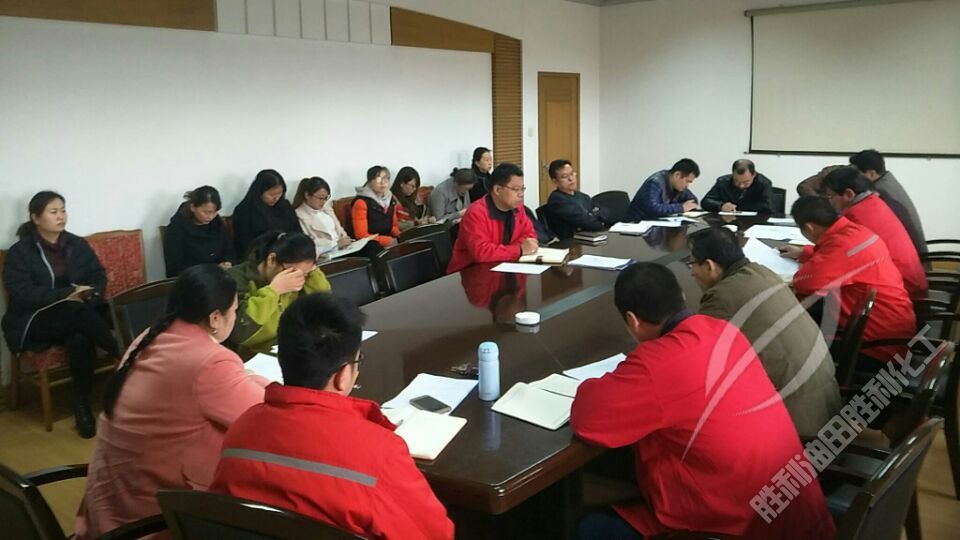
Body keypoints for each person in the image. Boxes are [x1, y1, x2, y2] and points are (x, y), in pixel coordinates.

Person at [571, 263, 835, 540]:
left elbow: (589, 419)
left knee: (590, 527)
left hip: (742, 528)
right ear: (682, 297)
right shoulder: (724, 331)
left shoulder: (657, 364)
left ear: (632, 320)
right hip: (800, 517)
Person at [210, 293, 455, 539]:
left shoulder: (241, 430)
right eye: (358, 361)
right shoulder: (380, 454)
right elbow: (437, 534)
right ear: (343, 375)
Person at [74, 265, 268, 539]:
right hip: (152, 522)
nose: (235, 317)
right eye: (235, 310)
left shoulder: (150, 337)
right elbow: (266, 414)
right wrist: (262, 381)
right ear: (215, 317)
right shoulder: (210, 361)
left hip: (110, 509)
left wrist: (245, 377)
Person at [687, 227, 841, 437]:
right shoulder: (762, 272)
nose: (691, 272)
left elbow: (699, 361)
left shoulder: (721, 297)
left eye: (692, 264)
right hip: (826, 399)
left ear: (709, 265)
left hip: (798, 423)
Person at [2, 191, 121, 439]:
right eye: (53, 212)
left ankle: (81, 403)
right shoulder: (20, 252)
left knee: (81, 336)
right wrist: (67, 295)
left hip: (78, 314)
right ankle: (126, 356)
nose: (61, 216)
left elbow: (98, 275)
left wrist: (91, 293)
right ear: (36, 218)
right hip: (36, 319)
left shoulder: (76, 243)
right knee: (77, 313)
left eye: (63, 210)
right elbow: (23, 294)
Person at [780, 196, 916, 371]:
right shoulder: (856, 232)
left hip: (876, 349)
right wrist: (804, 253)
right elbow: (837, 256)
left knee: (787, 342)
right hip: (892, 332)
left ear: (809, 228)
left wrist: (807, 262)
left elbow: (804, 283)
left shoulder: (843, 245)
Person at [822, 167, 927, 300]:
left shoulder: (855, 216)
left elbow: (836, 258)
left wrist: (806, 253)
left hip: (902, 291)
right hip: (913, 281)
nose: (829, 202)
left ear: (848, 194)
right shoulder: (873, 201)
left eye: (830, 197)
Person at [226, 231, 331, 354]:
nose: (297, 278)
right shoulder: (234, 279)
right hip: (252, 353)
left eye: (305, 273)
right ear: (271, 260)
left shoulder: (303, 275)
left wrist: (312, 272)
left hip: (292, 346)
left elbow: (324, 307)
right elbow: (240, 332)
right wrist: (274, 290)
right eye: (292, 272)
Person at [447, 163, 538, 273]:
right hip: (470, 272)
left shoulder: (518, 208)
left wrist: (507, 251)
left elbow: (530, 236)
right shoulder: (476, 213)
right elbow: (481, 253)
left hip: (505, 266)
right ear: (497, 190)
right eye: (516, 189)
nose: (521, 194)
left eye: (522, 189)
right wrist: (519, 249)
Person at [849, 149, 926, 254]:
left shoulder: (880, 192)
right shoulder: (887, 181)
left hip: (911, 253)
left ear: (871, 174)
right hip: (914, 249)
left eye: (857, 175)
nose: (855, 179)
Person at [163, 186, 236, 277]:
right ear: (193, 207)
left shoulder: (217, 224)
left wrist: (228, 262)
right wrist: (213, 269)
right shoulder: (177, 229)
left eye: (214, 212)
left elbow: (229, 251)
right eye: (206, 212)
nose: (210, 217)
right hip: (193, 279)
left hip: (220, 276)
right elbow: (174, 268)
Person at [232, 169, 300, 257]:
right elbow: (248, 244)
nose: (276, 198)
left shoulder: (284, 205)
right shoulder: (244, 211)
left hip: (291, 253)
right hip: (262, 256)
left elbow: (297, 231)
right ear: (259, 192)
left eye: (279, 193)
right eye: (272, 195)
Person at [542, 159, 611, 240]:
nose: (571, 179)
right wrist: (596, 217)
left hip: (593, 236)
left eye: (572, 174)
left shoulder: (583, 196)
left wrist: (593, 216)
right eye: (565, 176)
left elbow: (605, 211)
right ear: (555, 182)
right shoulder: (557, 200)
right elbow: (586, 222)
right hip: (572, 242)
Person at [624, 158, 700, 222]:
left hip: (657, 225)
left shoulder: (678, 186)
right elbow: (653, 209)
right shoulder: (655, 183)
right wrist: (681, 207)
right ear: (677, 175)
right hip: (635, 226)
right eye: (687, 181)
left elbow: (693, 201)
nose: (687, 185)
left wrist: (685, 206)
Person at [292, 176, 352, 254]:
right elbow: (308, 244)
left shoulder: (327, 208)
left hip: (342, 249)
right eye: (320, 198)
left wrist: (345, 238)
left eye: (326, 198)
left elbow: (339, 229)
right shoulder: (299, 215)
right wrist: (335, 244)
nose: (323, 202)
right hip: (325, 254)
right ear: (307, 195)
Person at [349, 165, 401, 248]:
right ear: (369, 181)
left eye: (386, 178)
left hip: (388, 240)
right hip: (369, 244)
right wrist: (388, 241)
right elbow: (361, 235)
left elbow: (393, 226)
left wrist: (401, 237)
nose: (383, 182)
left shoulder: (391, 199)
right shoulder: (361, 202)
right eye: (379, 179)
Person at [701, 159, 775, 213]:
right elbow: (705, 201)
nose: (741, 186)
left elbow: (768, 206)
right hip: (727, 222)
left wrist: (738, 207)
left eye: (746, 182)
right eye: (736, 181)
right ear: (732, 174)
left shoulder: (763, 183)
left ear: (754, 175)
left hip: (754, 221)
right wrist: (721, 206)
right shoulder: (723, 182)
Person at [391, 166, 435, 231]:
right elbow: (392, 224)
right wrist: (415, 223)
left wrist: (427, 220)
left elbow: (415, 219)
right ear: (402, 183)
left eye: (416, 187)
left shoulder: (410, 200)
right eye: (412, 186)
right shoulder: (390, 199)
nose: (414, 189)